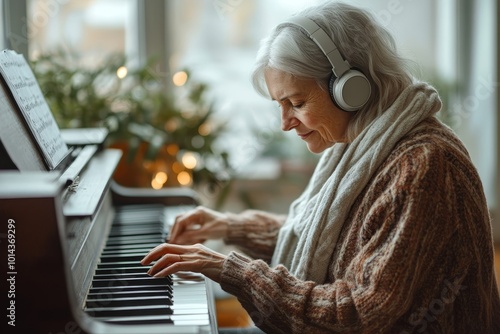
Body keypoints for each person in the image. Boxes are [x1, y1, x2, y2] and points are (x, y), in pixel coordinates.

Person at [141, 2, 500, 333]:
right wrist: (230, 226)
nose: (285, 122)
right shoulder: (361, 143)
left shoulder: (422, 166)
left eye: (296, 102)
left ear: (351, 88)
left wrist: (230, 269)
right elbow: (334, 239)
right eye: (280, 105)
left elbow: (358, 313)